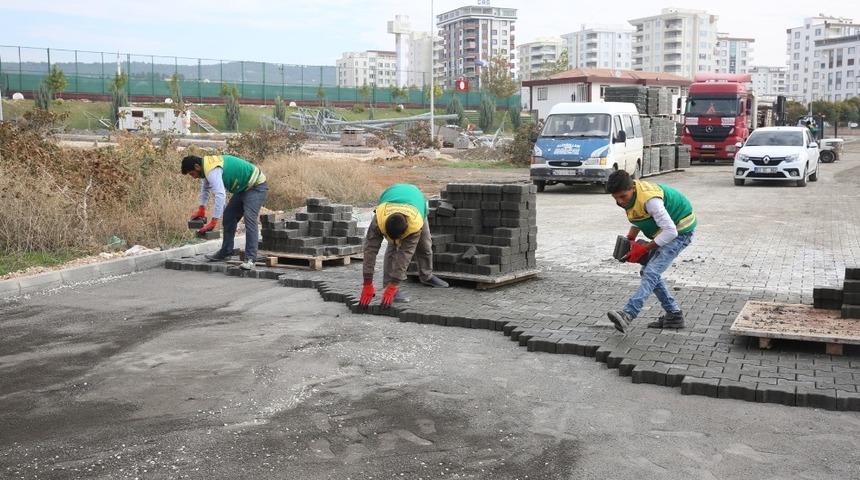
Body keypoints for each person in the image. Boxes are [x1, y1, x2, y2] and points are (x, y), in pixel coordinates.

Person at [605, 170, 697, 333]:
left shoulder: (651, 200)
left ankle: (628, 313)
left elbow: (671, 231)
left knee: (651, 272)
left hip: (681, 231)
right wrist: (631, 239)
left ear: (632, 188)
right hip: (665, 231)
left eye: (623, 196)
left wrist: (645, 248)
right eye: (615, 198)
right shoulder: (630, 198)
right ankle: (674, 315)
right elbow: (639, 215)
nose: (620, 202)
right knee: (648, 272)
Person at [359, 183, 449, 308]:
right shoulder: (378, 221)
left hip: (416, 202)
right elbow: (370, 250)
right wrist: (367, 282)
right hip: (391, 195)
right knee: (392, 249)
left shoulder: (415, 223)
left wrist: (394, 285)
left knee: (425, 245)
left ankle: (426, 276)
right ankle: (388, 284)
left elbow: (405, 255)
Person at [181, 154, 268, 270]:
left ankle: (251, 259)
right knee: (229, 216)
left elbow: (220, 195)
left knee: (249, 219)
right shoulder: (206, 166)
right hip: (242, 189)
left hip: (256, 186)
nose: (193, 177)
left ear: (197, 167)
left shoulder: (211, 169)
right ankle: (226, 251)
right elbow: (205, 189)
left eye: (192, 174)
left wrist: (213, 221)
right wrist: (201, 209)